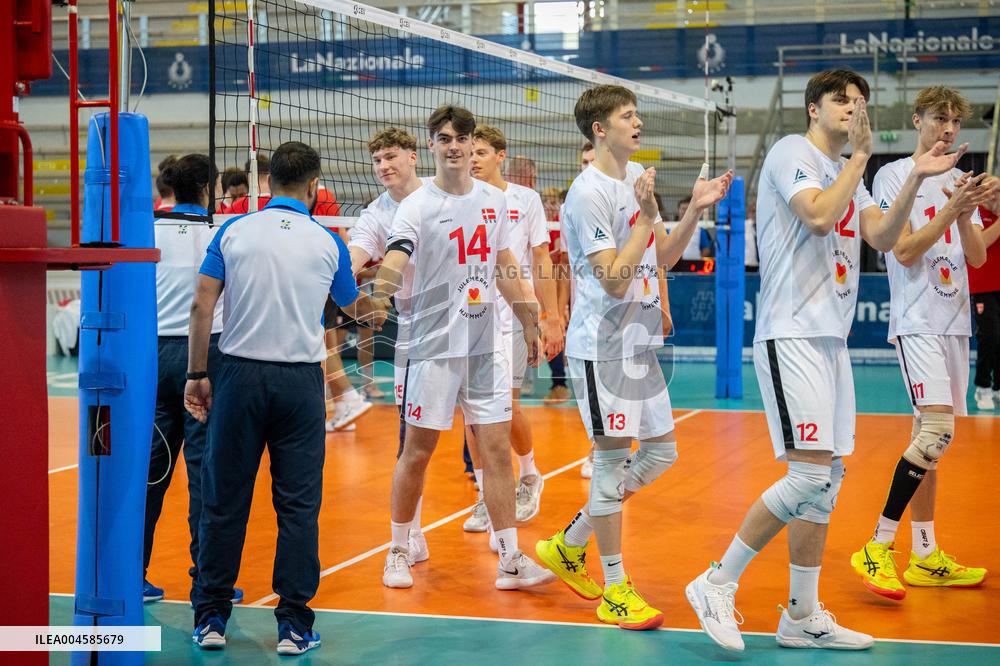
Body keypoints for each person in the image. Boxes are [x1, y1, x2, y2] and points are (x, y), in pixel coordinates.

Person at [685, 69, 967, 652]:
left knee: (828, 479)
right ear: (813, 108)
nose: (853, 108)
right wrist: (861, 158)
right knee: (809, 474)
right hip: (791, 333)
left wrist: (914, 173)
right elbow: (816, 214)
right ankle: (716, 580)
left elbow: (885, 238)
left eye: (860, 102)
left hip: (830, 341)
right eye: (842, 100)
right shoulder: (794, 152)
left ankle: (802, 615)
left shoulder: (853, 175)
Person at [535, 84, 732, 630]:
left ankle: (570, 544)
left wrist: (693, 207)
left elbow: (662, 255)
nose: (637, 121)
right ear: (600, 129)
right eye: (627, 115)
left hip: (639, 345)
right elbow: (615, 282)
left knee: (662, 453)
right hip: (604, 347)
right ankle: (615, 588)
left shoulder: (634, 177)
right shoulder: (588, 192)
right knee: (610, 461)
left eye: (636, 113)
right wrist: (646, 216)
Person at [185, 141, 375, 655]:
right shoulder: (327, 242)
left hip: (237, 376)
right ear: (314, 187)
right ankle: (293, 624)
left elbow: (202, 303)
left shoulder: (234, 230)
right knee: (297, 507)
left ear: (267, 183)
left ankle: (211, 618)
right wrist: (393, 274)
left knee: (223, 502)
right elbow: (357, 310)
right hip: (298, 385)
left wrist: (197, 373)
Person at [373, 105, 555, 591]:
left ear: (472, 144)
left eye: (462, 138)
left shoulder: (494, 201)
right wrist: (379, 290)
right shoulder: (416, 205)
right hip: (430, 348)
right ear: (430, 145)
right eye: (444, 137)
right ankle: (398, 548)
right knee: (417, 452)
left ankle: (511, 559)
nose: (454, 145)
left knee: (495, 451)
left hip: (485, 346)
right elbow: (395, 256)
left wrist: (531, 320)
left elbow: (505, 266)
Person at [850, 86, 996, 599]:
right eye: (939, 117)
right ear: (918, 120)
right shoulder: (894, 175)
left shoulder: (960, 180)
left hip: (954, 322)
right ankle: (878, 543)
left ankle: (926, 553)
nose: (949, 128)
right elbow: (906, 250)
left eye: (956, 120)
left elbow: (976, 258)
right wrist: (951, 206)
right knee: (936, 430)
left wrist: (973, 208)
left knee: (928, 445)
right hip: (918, 321)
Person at [142, 154, 244, 605]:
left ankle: (131, 575)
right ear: (206, 188)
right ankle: (207, 577)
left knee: (151, 471)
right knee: (206, 473)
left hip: (151, 355)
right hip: (205, 356)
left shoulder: (143, 229)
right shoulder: (220, 232)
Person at [463, 124, 565, 535]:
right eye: (469, 152)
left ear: (500, 155)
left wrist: (550, 315)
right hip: (469, 315)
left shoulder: (525, 200)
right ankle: (487, 494)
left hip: (514, 314)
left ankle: (528, 474)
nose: (472, 159)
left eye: (481, 152)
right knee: (473, 416)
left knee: (506, 408)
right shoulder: (459, 197)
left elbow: (542, 259)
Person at [347, 127, 429, 562]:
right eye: (377, 160)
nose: (383, 167)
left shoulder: (442, 194)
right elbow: (356, 254)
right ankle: (411, 533)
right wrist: (338, 276)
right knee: (410, 437)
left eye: (391, 156)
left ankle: (499, 525)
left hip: (470, 326)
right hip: (415, 333)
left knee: (482, 434)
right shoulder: (376, 214)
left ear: (414, 157)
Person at [970, 190, 1000, 409]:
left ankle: (998, 386)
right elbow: (981, 243)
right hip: (983, 287)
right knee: (989, 337)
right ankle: (983, 387)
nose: (994, 196)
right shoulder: (975, 214)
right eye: (990, 192)